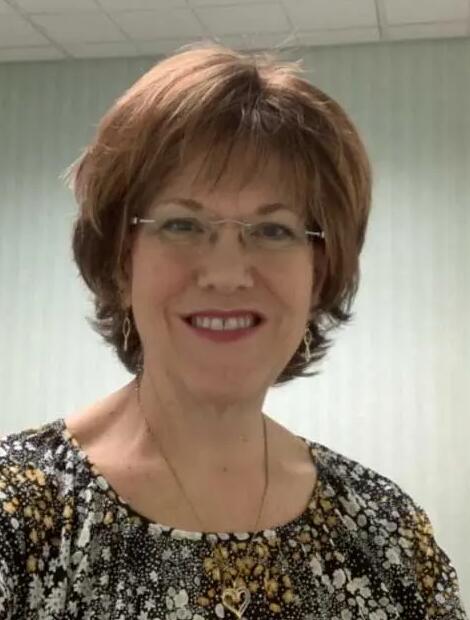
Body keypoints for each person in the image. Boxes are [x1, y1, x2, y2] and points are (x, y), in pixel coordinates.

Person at [0, 42, 467, 620]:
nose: (225, 273)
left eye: (272, 231)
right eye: (182, 224)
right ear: (122, 261)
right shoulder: (20, 514)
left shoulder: (386, 532)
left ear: (318, 274)